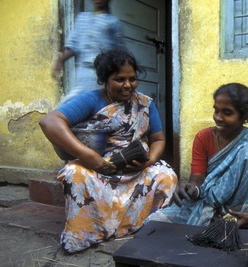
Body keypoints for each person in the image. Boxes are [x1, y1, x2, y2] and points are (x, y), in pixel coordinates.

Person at [40, 49, 177, 253]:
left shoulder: (145, 104)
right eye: (119, 79)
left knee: (167, 177)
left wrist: (149, 160)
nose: (128, 85)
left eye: (132, 79)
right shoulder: (92, 100)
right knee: (74, 173)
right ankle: (87, 233)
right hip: (102, 166)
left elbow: (158, 138)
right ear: (105, 79)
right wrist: (89, 156)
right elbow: (49, 121)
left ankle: (148, 229)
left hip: (137, 166)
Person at [147, 83, 248, 229]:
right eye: (216, 111)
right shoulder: (203, 137)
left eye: (227, 113)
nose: (218, 118)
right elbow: (197, 180)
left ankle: (240, 222)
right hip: (208, 206)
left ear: (244, 116)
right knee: (154, 223)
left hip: (243, 212)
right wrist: (190, 188)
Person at [53, 0, 126, 106]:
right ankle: (58, 117)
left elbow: (119, 51)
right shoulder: (82, 19)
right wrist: (60, 61)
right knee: (77, 100)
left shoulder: (113, 23)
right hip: (83, 69)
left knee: (97, 103)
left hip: (103, 71)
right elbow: (74, 46)